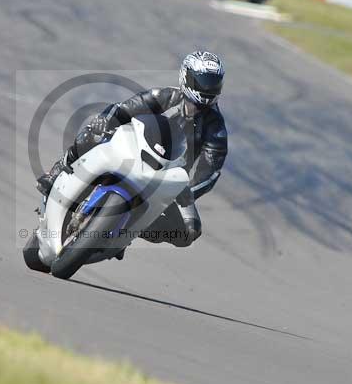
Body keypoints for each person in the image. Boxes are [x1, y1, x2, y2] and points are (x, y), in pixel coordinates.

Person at [37, 51, 228, 248]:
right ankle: (57, 170)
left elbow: (211, 171)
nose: (208, 89)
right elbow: (123, 109)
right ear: (187, 77)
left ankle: (131, 229)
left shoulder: (216, 128)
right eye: (204, 82)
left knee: (190, 231)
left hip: (167, 177)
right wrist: (106, 120)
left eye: (214, 83)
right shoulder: (165, 96)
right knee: (93, 133)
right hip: (134, 151)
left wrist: (189, 190)